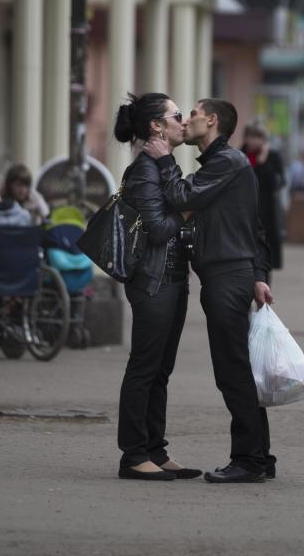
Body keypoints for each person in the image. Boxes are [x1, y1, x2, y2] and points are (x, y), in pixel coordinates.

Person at [143, 98, 276, 484]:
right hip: (233, 275)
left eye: (194, 115)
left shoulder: (227, 162)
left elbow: (181, 197)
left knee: (232, 373)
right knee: (239, 371)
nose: (186, 122)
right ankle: (260, 457)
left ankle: (248, 460)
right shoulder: (232, 164)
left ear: (212, 121)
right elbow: (256, 227)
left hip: (225, 277)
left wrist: (164, 159)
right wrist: (259, 274)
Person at [111, 92, 201, 482]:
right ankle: (133, 455)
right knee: (144, 368)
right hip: (153, 281)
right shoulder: (146, 170)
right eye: (176, 116)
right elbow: (158, 229)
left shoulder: (161, 166)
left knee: (161, 370)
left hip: (171, 279)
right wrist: (185, 209)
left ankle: (155, 449)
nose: (183, 122)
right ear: (156, 127)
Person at [242, 123, 285, 274]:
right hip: (244, 209)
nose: (254, 141)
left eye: (258, 137)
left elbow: (277, 183)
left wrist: (262, 163)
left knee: (265, 255)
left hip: (267, 211)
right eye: (251, 137)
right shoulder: (239, 155)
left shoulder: (272, 157)